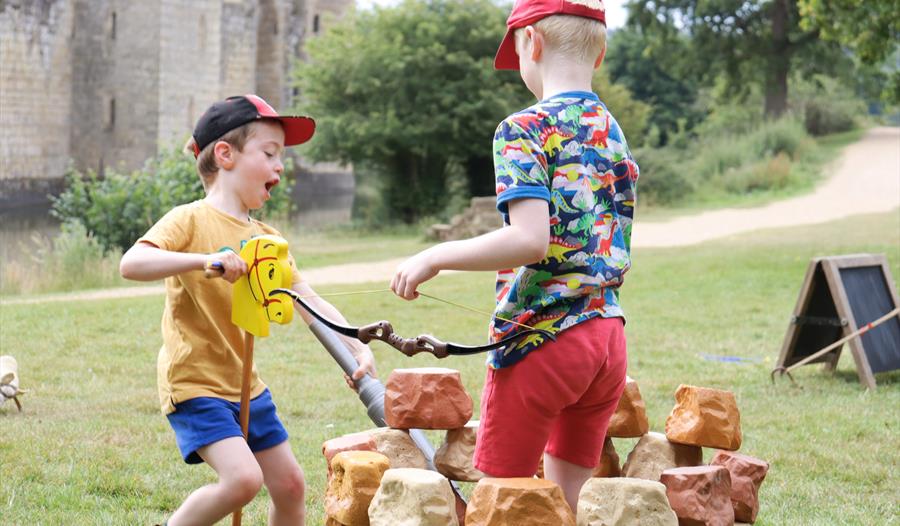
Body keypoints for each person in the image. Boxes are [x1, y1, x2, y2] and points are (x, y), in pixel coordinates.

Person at [390, 0, 639, 511]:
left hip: (542, 341)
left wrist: (437, 255)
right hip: (606, 339)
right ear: (601, 51)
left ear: (532, 43)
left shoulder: (523, 128)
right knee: (566, 503)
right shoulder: (612, 130)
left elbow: (529, 240)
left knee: (504, 501)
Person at [119, 94, 376, 526]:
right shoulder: (190, 220)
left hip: (246, 387)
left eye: (282, 158)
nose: (280, 167)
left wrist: (354, 347)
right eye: (270, 153)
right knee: (242, 481)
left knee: (291, 486)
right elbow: (133, 263)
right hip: (195, 383)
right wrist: (204, 261)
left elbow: (308, 300)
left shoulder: (267, 237)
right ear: (225, 155)